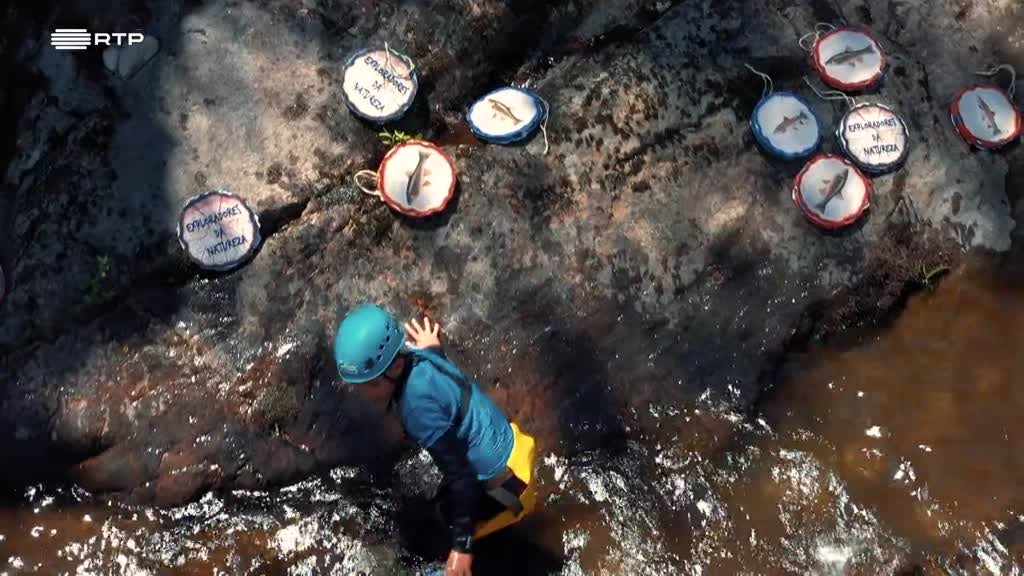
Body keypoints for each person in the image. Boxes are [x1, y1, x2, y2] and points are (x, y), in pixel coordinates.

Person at [334, 304, 538, 576]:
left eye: (368, 384)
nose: (362, 393)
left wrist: (461, 549)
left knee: (435, 549)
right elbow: (435, 366)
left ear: (394, 367)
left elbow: (462, 477)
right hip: (512, 450)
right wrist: (433, 348)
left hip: (509, 488)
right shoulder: (417, 355)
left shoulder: (417, 409)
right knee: (439, 510)